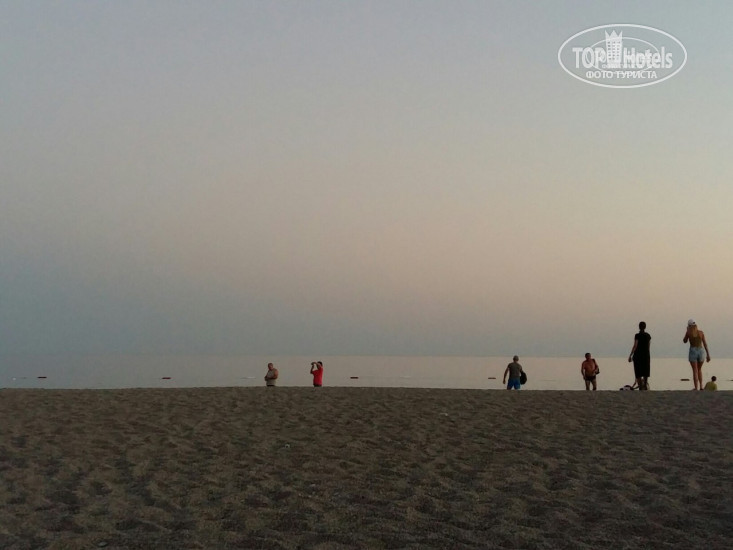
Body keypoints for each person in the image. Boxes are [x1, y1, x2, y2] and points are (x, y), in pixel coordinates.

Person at [683, 319, 710, 390]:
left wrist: (687, 331)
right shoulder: (701, 332)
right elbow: (705, 344)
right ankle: (701, 386)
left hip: (693, 350)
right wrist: (708, 355)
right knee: (699, 369)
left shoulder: (688, 332)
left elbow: (685, 341)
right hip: (701, 351)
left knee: (695, 370)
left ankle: (696, 387)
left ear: (689, 326)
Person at [628, 321, 651, 390]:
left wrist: (630, 355)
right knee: (645, 372)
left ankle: (640, 387)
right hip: (646, 355)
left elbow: (635, 346)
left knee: (638, 372)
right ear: (645, 327)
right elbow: (648, 347)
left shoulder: (637, 335)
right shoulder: (648, 336)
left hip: (638, 356)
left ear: (639, 327)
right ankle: (645, 386)